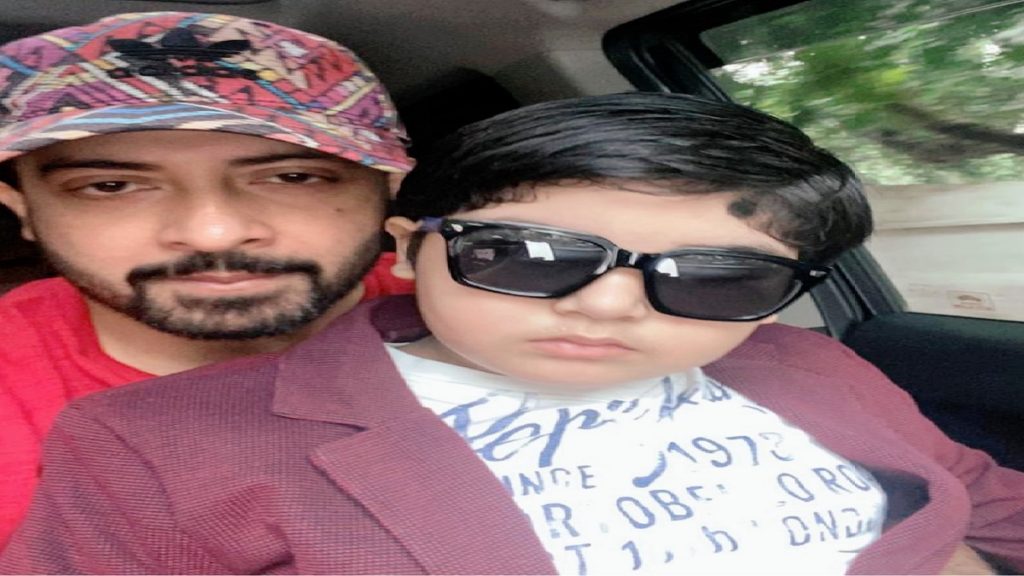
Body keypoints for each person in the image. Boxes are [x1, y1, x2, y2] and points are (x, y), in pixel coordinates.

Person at [3, 93, 1022, 574]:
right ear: (411, 249)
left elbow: (973, 492)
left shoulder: (804, 359)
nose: (608, 305)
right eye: (529, 256)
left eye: (719, 277)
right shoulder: (159, 442)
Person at [0, 11, 415, 545]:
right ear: (22, 209)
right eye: (110, 186)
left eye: (293, 177)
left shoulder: (494, 308)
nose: (214, 235)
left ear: (389, 188)